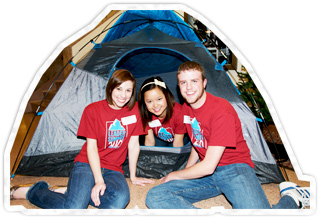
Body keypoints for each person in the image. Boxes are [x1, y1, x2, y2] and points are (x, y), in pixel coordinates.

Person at [145, 61, 310, 209]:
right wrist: (187, 172)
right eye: (183, 82)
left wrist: (175, 174)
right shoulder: (187, 107)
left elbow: (209, 165)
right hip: (206, 173)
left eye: (194, 81)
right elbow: (198, 141)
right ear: (179, 86)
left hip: (235, 169)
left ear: (204, 83)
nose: (189, 88)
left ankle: (292, 199)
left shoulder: (221, 110)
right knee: (155, 196)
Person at [11, 69, 154, 209]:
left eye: (128, 90)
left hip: (113, 168)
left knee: (118, 202)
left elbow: (134, 144)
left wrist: (133, 176)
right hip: (87, 164)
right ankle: (32, 192)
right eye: (119, 89)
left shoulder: (136, 110)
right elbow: (91, 147)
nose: (123, 95)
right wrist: (98, 181)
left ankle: (74, 192)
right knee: (75, 207)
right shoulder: (93, 110)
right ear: (111, 88)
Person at [138, 76, 188, 147]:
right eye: (149, 101)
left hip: (180, 138)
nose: (155, 105)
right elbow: (149, 141)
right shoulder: (145, 114)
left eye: (159, 99)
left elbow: (177, 144)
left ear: (166, 96)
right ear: (144, 103)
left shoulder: (179, 113)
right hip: (160, 138)